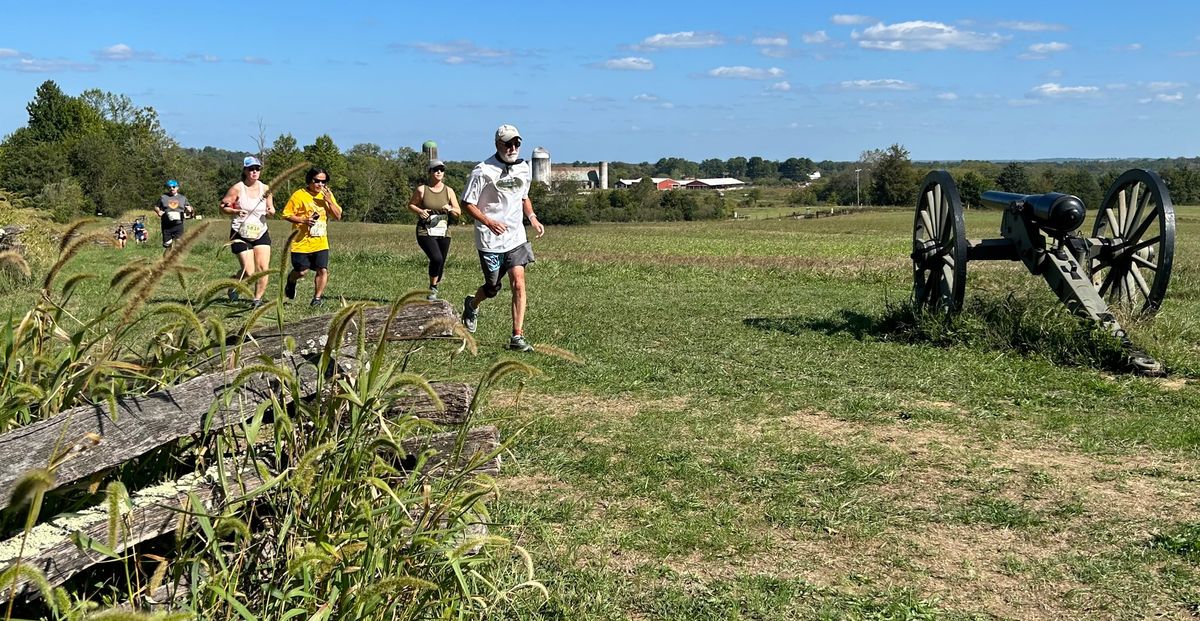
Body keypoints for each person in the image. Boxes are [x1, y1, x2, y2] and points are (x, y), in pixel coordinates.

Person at [460, 124, 545, 352]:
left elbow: (523, 197)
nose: (513, 147)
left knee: (519, 283)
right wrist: (488, 221)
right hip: (489, 238)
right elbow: (467, 203)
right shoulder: (483, 170)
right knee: (492, 287)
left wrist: (533, 218)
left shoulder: (524, 168)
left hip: (516, 236)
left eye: (516, 143)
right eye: (508, 143)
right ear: (497, 144)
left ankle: (517, 336)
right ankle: (472, 303)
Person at [220, 156, 275, 307]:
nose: (254, 172)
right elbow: (223, 206)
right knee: (249, 271)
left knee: (263, 268)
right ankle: (234, 284)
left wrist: (270, 211)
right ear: (245, 171)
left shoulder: (265, 189)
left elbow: (271, 208)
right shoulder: (237, 188)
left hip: (260, 231)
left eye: (257, 169)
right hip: (240, 232)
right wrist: (234, 211)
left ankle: (257, 299)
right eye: (251, 169)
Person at [282, 167, 342, 306]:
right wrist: (304, 220)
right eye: (317, 181)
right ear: (309, 180)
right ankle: (291, 281)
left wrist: (329, 201)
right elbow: (286, 214)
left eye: (324, 181)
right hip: (301, 242)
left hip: (320, 241)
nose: (320, 184)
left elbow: (338, 215)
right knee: (302, 272)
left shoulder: (327, 194)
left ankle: (317, 299)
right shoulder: (299, 195)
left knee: (322, 269)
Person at [407, 159, 462, 301]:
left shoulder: (449, 191)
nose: (439, 172)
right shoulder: (422, 189)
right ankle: (432, 289)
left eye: (441, 170)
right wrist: (420, 211)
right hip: (425, 230)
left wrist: (450, 209)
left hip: (443, 231)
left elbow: (458, 212)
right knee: (436, 258)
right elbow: (411, 205)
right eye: (436, 169)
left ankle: (434, 286)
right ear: (430, 172)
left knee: (441, 262)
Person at [153, 179, 194, 250]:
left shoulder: (182, 198)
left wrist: (189, 210)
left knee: (179, 246)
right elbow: (156, 207)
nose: (171, 188)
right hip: (166, 226)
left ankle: (174, 260)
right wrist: (158, 211)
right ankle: (166, 260)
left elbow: (190, 208)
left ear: (177, 187)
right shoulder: (163, 197)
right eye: (169, 187)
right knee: (168, 246)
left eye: (173, 187)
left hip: (178, 225)